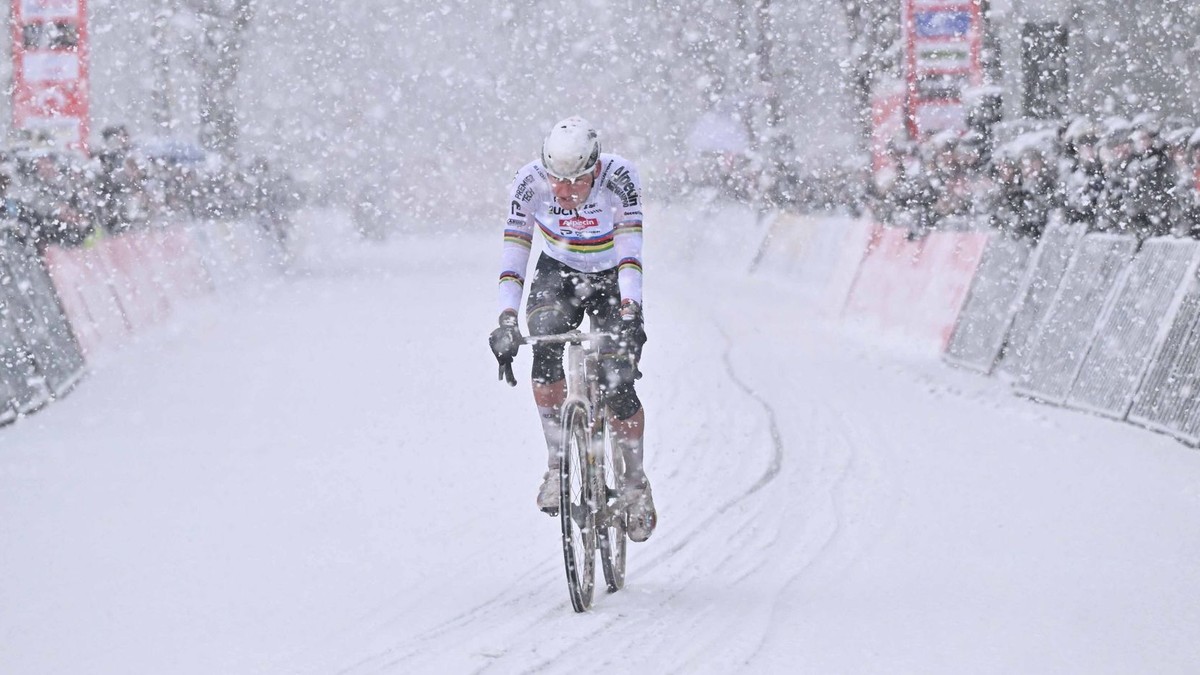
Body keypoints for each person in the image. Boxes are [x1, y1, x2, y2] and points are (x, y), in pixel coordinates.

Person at [488, 116, 656, 542]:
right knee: (542, 346)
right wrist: (507, 318)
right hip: (558, 273)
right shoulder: (529, 183)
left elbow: (630, 250)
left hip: (610, 276)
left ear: (595, 169)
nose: (563, 192)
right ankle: (557, 465)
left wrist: (631, 310)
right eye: (555, 181)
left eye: (575, 182)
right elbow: (516, 248)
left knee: (617, 381)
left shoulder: (619, 178)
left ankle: (635, 482)